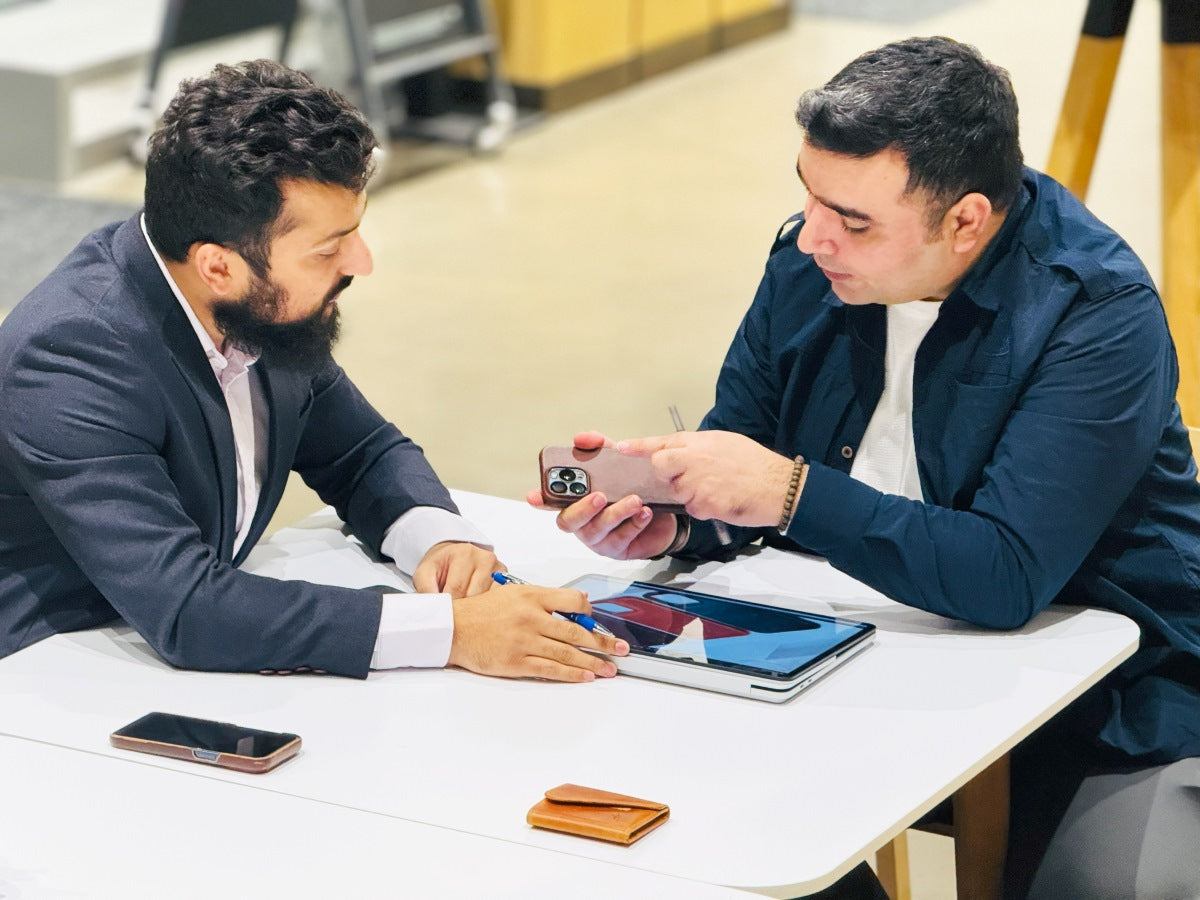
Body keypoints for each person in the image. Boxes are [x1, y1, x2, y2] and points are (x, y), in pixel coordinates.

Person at [532, 37, 1200, 899]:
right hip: (846, 648)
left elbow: (1006, 577)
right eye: (810, 198)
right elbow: (741, 454)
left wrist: (787, 491)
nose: (814, 238)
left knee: (1110, 886)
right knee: (686, 847)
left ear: (966, 221)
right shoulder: (810, 265)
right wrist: (683, 518)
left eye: (853, 222)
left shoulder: (1094, 313)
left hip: (1099, 685)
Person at [0, 59, 626, 684]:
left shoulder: (258, 305)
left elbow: (360, 450)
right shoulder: (69, 359)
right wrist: (451, 632)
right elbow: (188, 608)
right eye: (329, 249)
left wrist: (438, 540)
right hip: (55, 676)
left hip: (166, 656)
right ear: (218, 267)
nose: (363, 261)